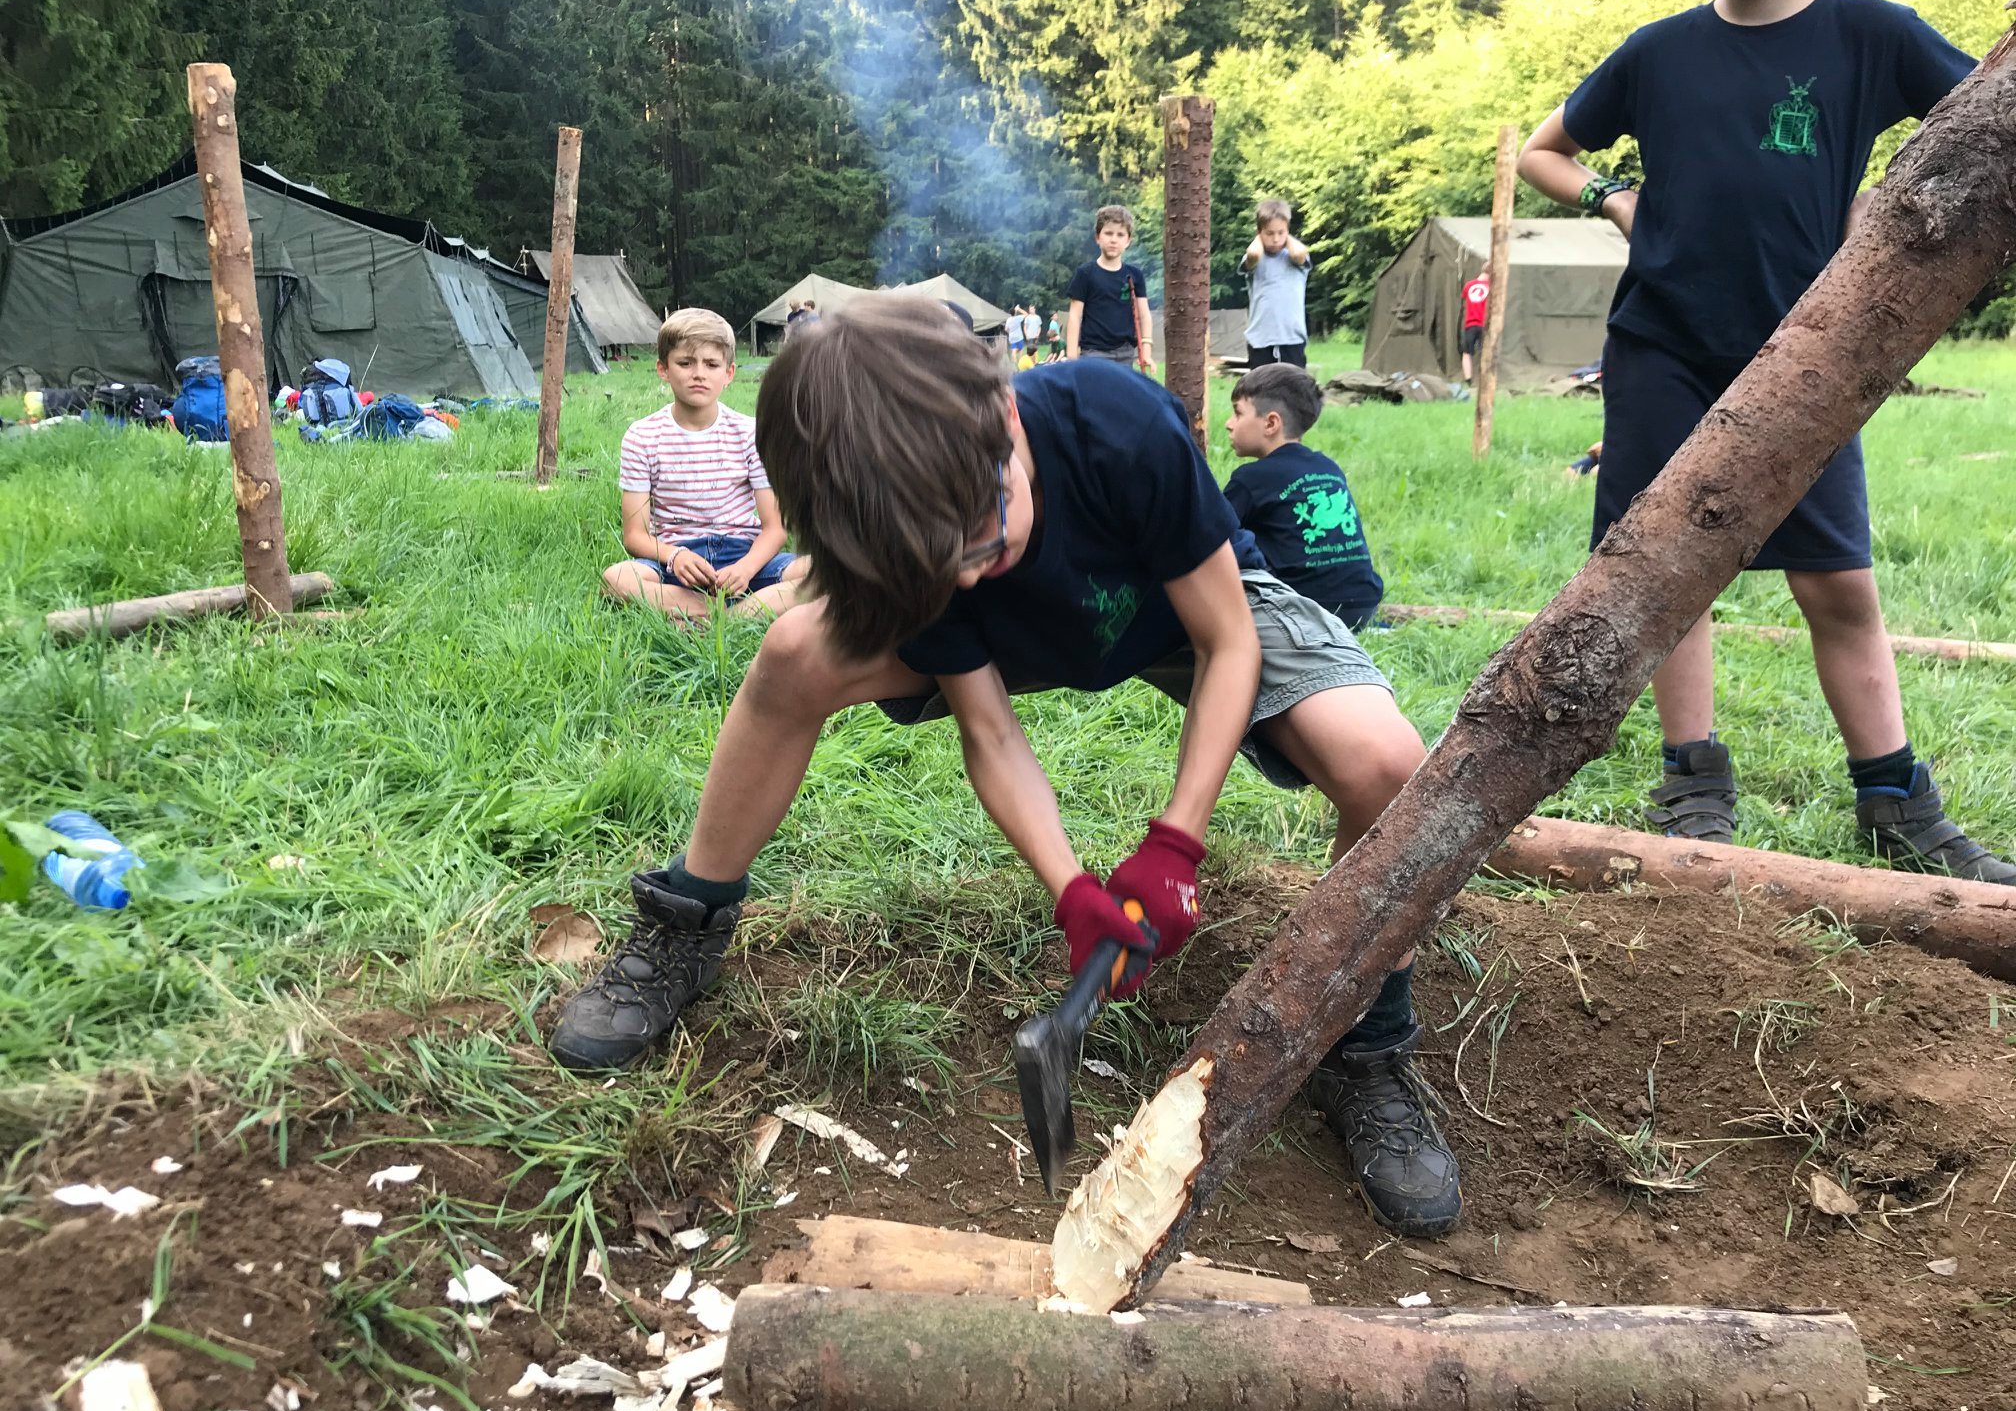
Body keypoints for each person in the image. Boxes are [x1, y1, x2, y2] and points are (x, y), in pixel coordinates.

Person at [549, 297, 1460, 1239]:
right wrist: (1071, 889)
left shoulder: (1115, 421)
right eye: (946, 562)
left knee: (1386, 761)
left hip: (1178, 604)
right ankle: (685, 926)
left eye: (986, 530)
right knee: (793, 656)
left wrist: (1176, 842)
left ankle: (1365, 1037)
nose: (976, 567)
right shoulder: (926, 545)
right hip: (1018, 639)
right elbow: (989, 732)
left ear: (1007, 416)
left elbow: (1228, 642)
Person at [1518, 0, 2012, 883]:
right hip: (1661, 345)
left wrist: (1887, 207)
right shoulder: (1655, 50)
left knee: (1837, 585)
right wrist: (1614, 200)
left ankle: (1894, 797)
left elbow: (1983, 122)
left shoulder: (1872, 33)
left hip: (1810, 348)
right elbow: (1542, 152)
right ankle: (1694, 781)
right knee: (1669, 575)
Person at [601, 308, 808, 621]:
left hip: (744, 555)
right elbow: (635, 535)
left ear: (728, 373)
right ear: (663, 369)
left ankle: (733, 615)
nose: (698, 373)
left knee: (826, 573)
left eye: (711, 364)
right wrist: (675, 556)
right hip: (675, 564)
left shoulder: (750, 432)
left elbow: (775, 529)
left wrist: (746, 568)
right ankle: (719, 611)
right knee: (616, 579)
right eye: (685, 363)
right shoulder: (642, 436)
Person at [1223, 364, 1383, 630]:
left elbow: (1211, 537)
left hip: (1304, 610)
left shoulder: (1251, 479)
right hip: (1363, 605)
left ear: (1271, 423)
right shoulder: (1328, 467)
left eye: (1237, 413)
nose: (1229, 424)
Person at [1066, 205, 1153, 370]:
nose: (1114, 239)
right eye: (1108, 233)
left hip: (1126, 353)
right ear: (1097, 237)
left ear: (1128, 241)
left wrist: (1146, 351)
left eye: (1120, 235)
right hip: (1093, 354)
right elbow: (1075, 316)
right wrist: (1071, 355)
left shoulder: (1135, 276)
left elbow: (1144, 315)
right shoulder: (1085, 274)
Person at [1240, 200, 1312, 369]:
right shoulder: (1255, 259)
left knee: (1294, 390)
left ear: (1288, 231)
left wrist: (1286, 238)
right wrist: (1260, 238)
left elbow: (1300, 252)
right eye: (1269, 233)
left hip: (1292, 338)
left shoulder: (1295, 258)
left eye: (1281, 232)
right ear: (1259, 232)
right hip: (1260, 340)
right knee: (1260, 391)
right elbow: (1253, 253)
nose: (1276, 239)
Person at [1459, 270, 1490, 383]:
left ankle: (1469, 380)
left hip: (1470, 325)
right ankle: (1485, 380)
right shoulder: (1491, 287)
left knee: (1466, 354)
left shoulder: (1468, 285)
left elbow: (1464, 297)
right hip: (1485, 326)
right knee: (1486, 353)